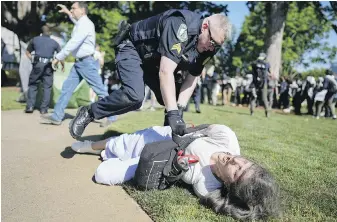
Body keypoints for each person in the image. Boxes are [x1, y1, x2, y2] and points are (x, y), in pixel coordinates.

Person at [68, 10, 232, 140]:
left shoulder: (209, 46)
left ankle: (167, 140)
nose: (212, 49)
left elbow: (193, 76)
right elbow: (165, 71)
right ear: (204, 27)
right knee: (135, 97)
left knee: (172, 102)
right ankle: (89, 112)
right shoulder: (180, 24)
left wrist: (178, 109)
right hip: (133, 48)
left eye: (217, 46)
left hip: (154, 61)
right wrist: (173, 113)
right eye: (212, 43)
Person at [71, 124, 280, 220]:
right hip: (163, 138)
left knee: (103, 175)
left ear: (229, 185)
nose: (235, 160)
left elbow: (230, 207)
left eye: (237, 172)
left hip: (156, 160)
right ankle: (91, 146)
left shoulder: (207, 186)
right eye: (245, 162)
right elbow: (197, 128)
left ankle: (111, 155)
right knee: (120, 143)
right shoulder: (227, 138)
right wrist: (185, 133)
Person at [40, 2, 110, 125]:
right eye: (71, 9)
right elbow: (76, 23)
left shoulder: (86, 24)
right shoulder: (82, 23)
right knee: (67, 88)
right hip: (80, 63)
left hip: (86, 63)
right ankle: (57, 116)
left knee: (100, 90)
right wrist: (67, 12)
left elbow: (74, 42)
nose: (72, 10)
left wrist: (59, 57)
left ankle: (111, 117)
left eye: (73, 8)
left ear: (82, 10)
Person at [25, 25, 62, 114]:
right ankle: (44, 109)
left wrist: (33, 60)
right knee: (47, 87)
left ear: (41, 32)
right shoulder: (54, 42)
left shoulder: (35, 39)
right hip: (49, 66)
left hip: (37, 65)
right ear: (50, 33)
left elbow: (27, 52)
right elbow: (61, 56)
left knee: (33, 85)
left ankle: (30, 107)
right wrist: (59, 64)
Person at [251, 53, 274, 117]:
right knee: (264, 98)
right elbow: (270, 74)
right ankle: (267, 113)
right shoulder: (267, 64)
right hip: (263, 83)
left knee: (253, 97)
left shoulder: (254, 63)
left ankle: (252, 112)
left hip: (255, 82)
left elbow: (253, 72)